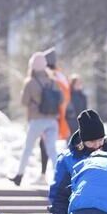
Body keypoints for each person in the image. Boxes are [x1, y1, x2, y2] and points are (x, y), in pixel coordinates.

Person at [12, 52, 61, 186]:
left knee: (28, 148)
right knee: (52, 150)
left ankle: (19, 175)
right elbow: (60, 99)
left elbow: (24, 101)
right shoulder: (52, 81)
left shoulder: (30, 82)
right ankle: (61, 177)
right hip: (52, 120)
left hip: (37, 120)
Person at [40, 48, 71, 176]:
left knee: (47, 145)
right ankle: (54, 172)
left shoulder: (50, 77)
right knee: (49, 146)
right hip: (61, 115)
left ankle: (53, 173)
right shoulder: (61, 75)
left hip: (52, 115)